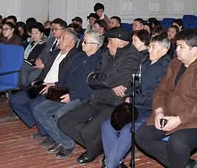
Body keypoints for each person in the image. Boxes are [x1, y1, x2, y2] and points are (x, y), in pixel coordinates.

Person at [135, 29, 197, 168]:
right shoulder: (175, 64)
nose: (176, 50)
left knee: (177, 142)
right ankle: (185, 164)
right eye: (176, 46)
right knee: (142, 135)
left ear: (194, 49)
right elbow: (161, 90)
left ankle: (180, 163)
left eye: (181, 47)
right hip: (171, 114)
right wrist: (159, 111)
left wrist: (179, 119)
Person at [58, 26, 141, 164]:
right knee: (64, 122)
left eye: (110, 41)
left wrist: (104, 80)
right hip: (96, 99)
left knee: (87, 131)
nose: (107, 45)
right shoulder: (107, 53)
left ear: (121, 43)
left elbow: (108, 79)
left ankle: (92, 151)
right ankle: (98, 147)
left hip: (114, 103)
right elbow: (90, 79)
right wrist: (109, 83)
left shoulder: (132, 57)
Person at [101, 33, 171, 168]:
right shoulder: (145, 62)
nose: (149, 50)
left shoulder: (167, 68)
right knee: (107, 125)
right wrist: (128, 95)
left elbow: (156, 96)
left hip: (151, 110)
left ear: (164, 50)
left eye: (153, 47)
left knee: (128, 130)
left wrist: (133, 98)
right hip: (135, 106)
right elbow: (133, 83)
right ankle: (116, 163)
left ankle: (109, 164)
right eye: (149, 46)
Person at [32, 30, 104, 158]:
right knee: (39, 110)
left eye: (85, 42)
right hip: (66, 91)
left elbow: (92, 88)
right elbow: (65, 76)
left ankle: (67, 144)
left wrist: (72, 96)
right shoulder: (79, 56)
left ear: (95, 45)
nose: (82, 44)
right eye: (83, 41)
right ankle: (59, 140)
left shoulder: (100, 62)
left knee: (60, 115)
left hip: (83, 97)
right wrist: (55, 85)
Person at [8, 29, 81, 143]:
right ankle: (43, 126)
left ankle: (48, 132)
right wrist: (37, 81)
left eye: (63, 38)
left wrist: (54, 85)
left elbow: (70, 80)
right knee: (16, 99)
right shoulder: (55, 53)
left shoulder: (76, 57)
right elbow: (45, 72)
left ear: (72, 42)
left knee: (35, 104)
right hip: (43, 84)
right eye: (59, 38)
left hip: (59, 88)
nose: (59, 40)